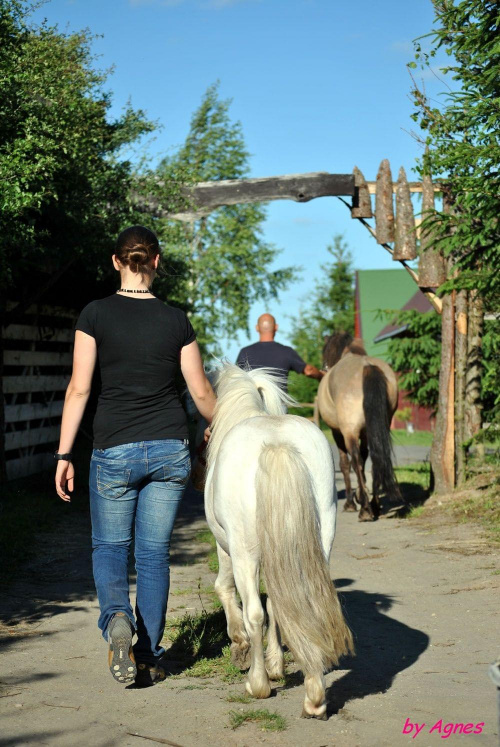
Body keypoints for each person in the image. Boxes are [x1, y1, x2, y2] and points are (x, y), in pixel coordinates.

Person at [55, 226, 216, 687]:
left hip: (114, 449)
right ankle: (146, 653)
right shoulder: (176, 320)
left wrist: (64, 453)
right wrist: (221, 424)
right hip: (170, 450)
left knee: (109, 547)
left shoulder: (95, 314)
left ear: (115, 261)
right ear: (157, 262)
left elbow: (79, 388)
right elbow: (201, 392)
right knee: (152, 555)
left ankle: (117, 623)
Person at [236, 313, 324, 390]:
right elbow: (309, 371)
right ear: (276, 327)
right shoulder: (287, 352)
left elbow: (236, 379)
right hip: (278, 408)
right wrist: (321, 375)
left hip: (252, 407)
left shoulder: (245, 352)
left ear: (257, 328)